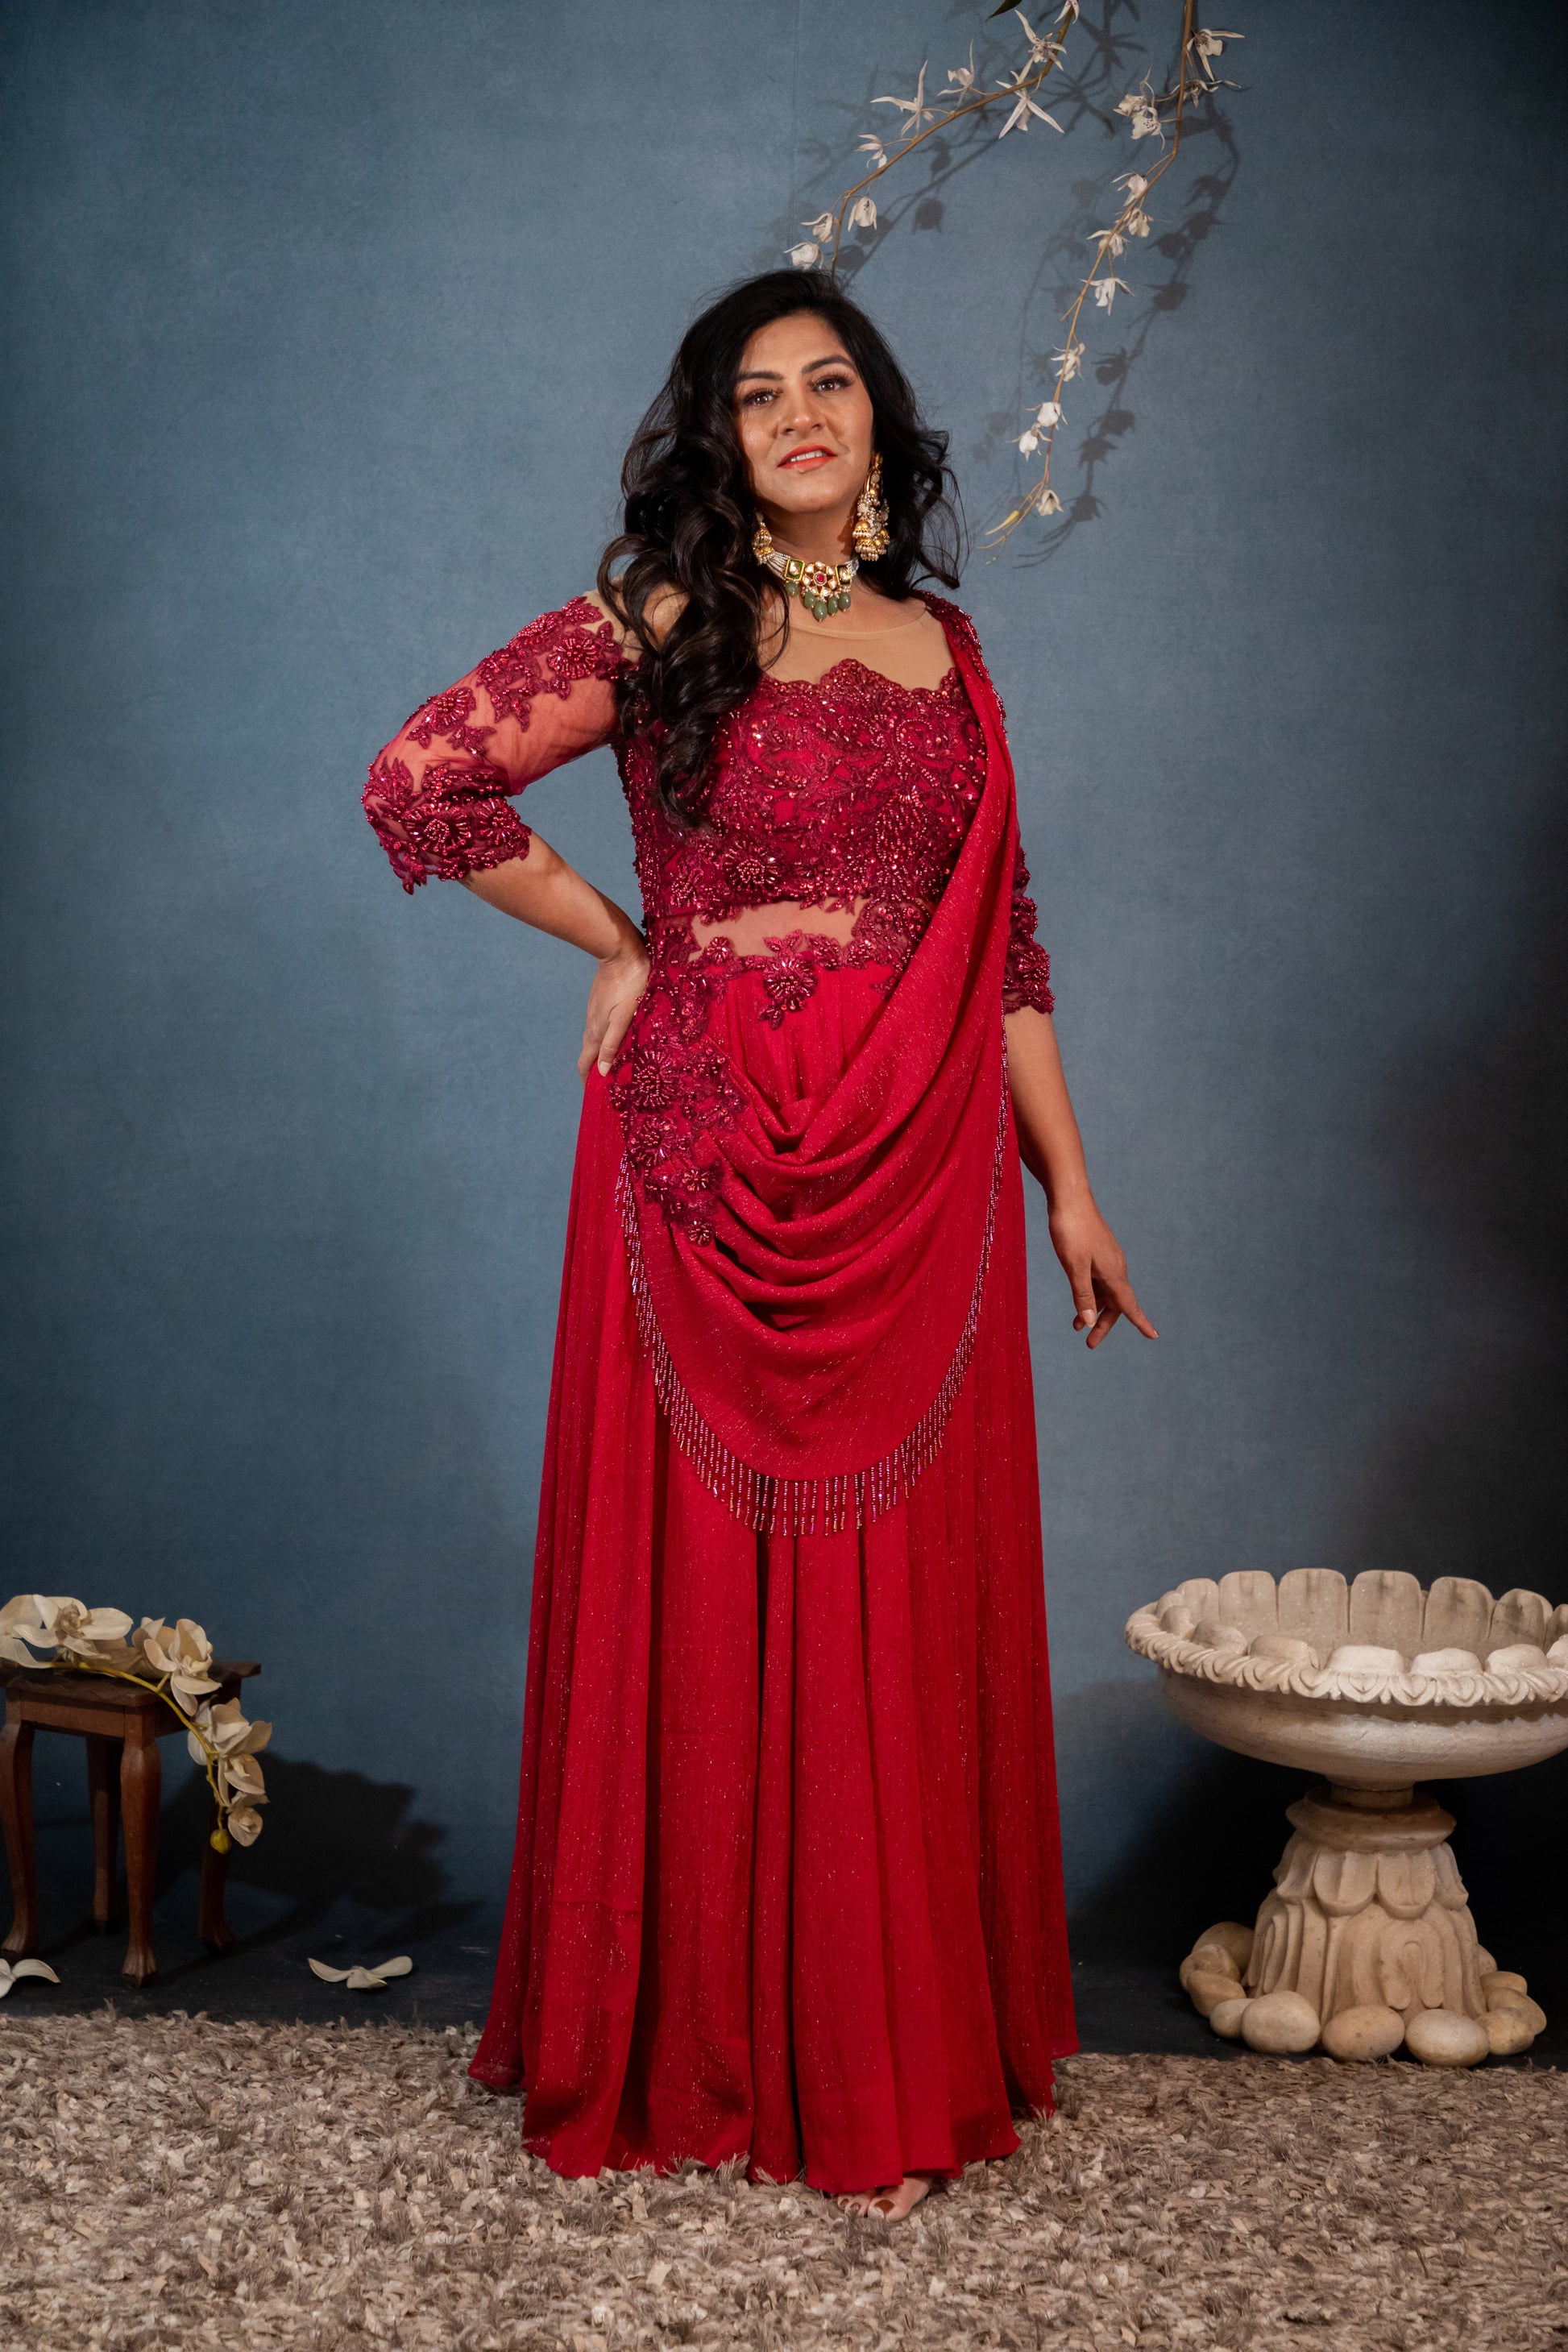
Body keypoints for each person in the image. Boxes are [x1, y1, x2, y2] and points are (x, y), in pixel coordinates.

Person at [363, 270, 1155, 2220]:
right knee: (702, 1579)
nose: (796, 414)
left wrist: (1067, 1182)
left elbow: (1005, 942)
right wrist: (623, 940)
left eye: (828, 382)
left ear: (878, 417)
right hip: (706, 1145)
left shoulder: (952, 649)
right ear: (717, 437)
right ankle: (695, 2043)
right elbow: (422, 776)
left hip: (920, 1157)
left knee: (896, 1588)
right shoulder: (659, 614)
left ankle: (878, 2046)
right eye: (754, 393)